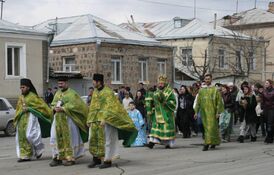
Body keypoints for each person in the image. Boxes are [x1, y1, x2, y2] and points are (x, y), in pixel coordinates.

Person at [87, 73, 137, 169]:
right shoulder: (95, 92)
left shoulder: (108, 92)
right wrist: (89, 119)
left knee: (107, 140)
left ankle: (107, 160)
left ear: (99, 82)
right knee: (93, 139)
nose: (93, 83)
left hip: (107, 121)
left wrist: (105, 118)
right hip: (95, 120)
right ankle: (96, 158)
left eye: (94, 81)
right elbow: (92, 106)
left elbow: (111, 107)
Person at [49, 77, 88, 167]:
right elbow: (53, 103)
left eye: (61, 83)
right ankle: (57, 157)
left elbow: (77, 105)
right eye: (59, 84)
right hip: (57, 119)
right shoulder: (57, 93)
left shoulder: (72, 93)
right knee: (54, 137)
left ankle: (70, 158)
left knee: (70, 138)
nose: (60, 85)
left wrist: (63, 108)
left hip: (69, 119)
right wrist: (54, 108)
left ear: (67, 83)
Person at [14, 78, 52, 162]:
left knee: (30, 135)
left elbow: (42, 106)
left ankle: (39, 149)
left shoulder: (33, 96)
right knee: (22, 137)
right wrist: (18, 116)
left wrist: (29, 109)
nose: (21, 89)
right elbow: (18, 108)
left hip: (31, 118)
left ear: (28, 87)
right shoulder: (21, 97)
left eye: (23, 87)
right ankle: (25, 155)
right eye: (21, 87)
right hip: (21, 119)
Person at [145, 75, 176, 149]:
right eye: (159, 83)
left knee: (166, 129)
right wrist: (150, 108)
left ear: (165, 83)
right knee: (155, 128)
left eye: (161, 83)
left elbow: (173, 102)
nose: (160, 85)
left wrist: (166, 103)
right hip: (157, 113)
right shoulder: (156, 92)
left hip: (166, 114)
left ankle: (168, 143)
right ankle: (151, 143)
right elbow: (153, 102)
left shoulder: (169, 92)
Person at [194, 74, 224, 151]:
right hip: (204, 112)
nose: (207, 80)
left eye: (208, 79)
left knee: (211, 128)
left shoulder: (215, 89)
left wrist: (218, 112)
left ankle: (207, 144)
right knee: (207, 128)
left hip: (213, 113)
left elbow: (219, 102)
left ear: (211, 80)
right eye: (206, 79)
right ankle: (211, 142)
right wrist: (196, 112)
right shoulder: (201, 90)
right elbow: (198, 102)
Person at [262, 79, 274, 144]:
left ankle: (269, 137)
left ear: (270, 84)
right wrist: (262, 107)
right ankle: (270, 136)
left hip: (272, 109)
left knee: (270, 123)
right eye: (265, 83)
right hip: (266, 109)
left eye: (267, 83)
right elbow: (263, 101)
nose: (265, 84)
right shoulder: (264, 91)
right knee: (267, 123)